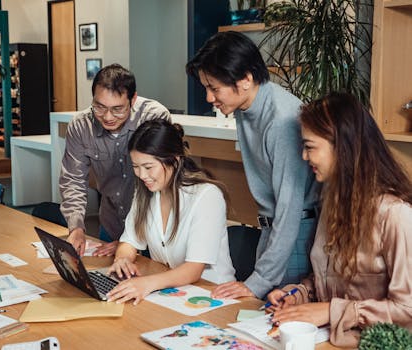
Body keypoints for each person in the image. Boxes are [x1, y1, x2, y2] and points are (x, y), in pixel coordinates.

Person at [268, 92, 412, 348]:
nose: (303, 156)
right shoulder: (332, 202)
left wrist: (331, 311)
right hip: (328, 340)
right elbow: (328, 279)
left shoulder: (396, 214)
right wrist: (300, 295)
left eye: (310, 147)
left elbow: (407, 309)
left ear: (343, 147)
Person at [186, 31, 319, 299]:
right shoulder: (246, 109)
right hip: (272, 229)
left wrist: (257, 282)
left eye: (214, 88)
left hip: (293, 233)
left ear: (245, 79)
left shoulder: (282, 120)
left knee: (277, 318)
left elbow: (289, 209)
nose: (210, 98)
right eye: (206, 88)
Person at [106, 119, 236, 305]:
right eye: (136, 167)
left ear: (174, 161)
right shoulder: (147, 191)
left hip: (212, 294)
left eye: (148, 167)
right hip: (172, 292)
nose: (142, 175)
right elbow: (130, 241)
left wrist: (144, 284)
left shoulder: (206, 196)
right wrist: (122, 259)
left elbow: (193, 269)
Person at [60, 64, 170, 257]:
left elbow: (161, 185)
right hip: (111, 223)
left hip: (149, 230)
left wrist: (128, 241)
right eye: (99, 107)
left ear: (133, 99)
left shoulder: (153, 117)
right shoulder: (81, 126)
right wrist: (76, 227)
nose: (108, 117)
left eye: (117, 109)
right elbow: (73, 181)